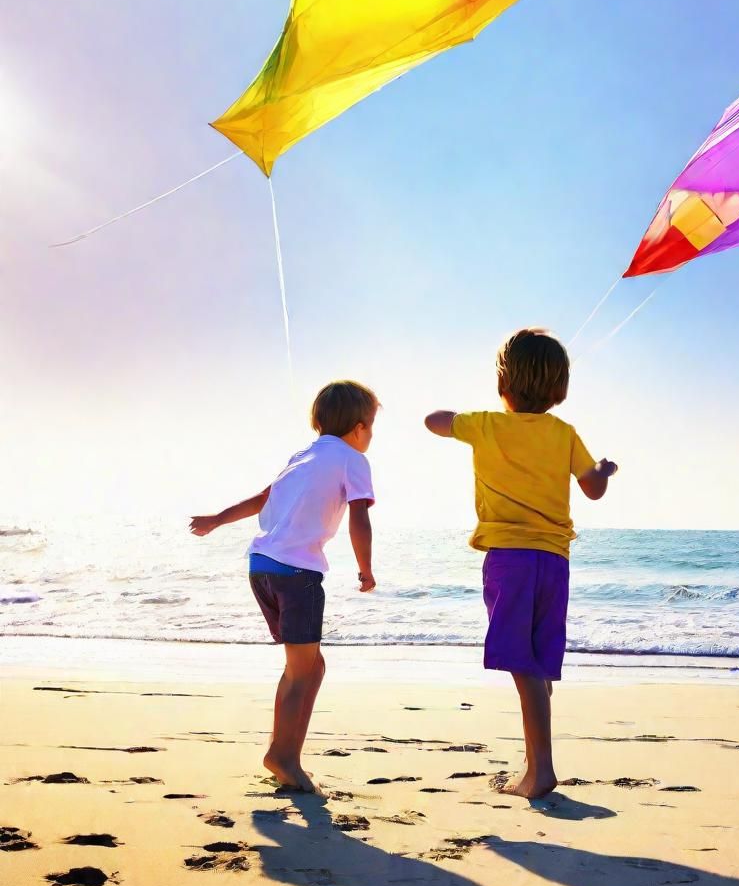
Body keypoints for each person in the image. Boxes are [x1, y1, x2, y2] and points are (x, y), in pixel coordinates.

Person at [425, 329, 616, 798]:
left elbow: (434, 420)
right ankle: (535, 760)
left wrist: (472, 417)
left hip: (509, 557)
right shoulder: (564, 433)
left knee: (523, 664)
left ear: (503, 383)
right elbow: (591, 489)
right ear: (559, 388)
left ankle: (541, 770)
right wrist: (603, 473)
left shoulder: (487, 425)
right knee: (540, 662)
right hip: (554, 559)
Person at [190, 380, 378, 792]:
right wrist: (366, 569)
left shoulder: (302, 456)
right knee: (302, 669)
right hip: (297, 574)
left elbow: (263, 499)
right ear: (359, 427)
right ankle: (283, 757)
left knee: (308, 667)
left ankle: (283, 751)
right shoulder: (352, 459)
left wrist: (217, 519)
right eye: (372, 428)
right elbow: (359, 516)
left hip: (262, 567)